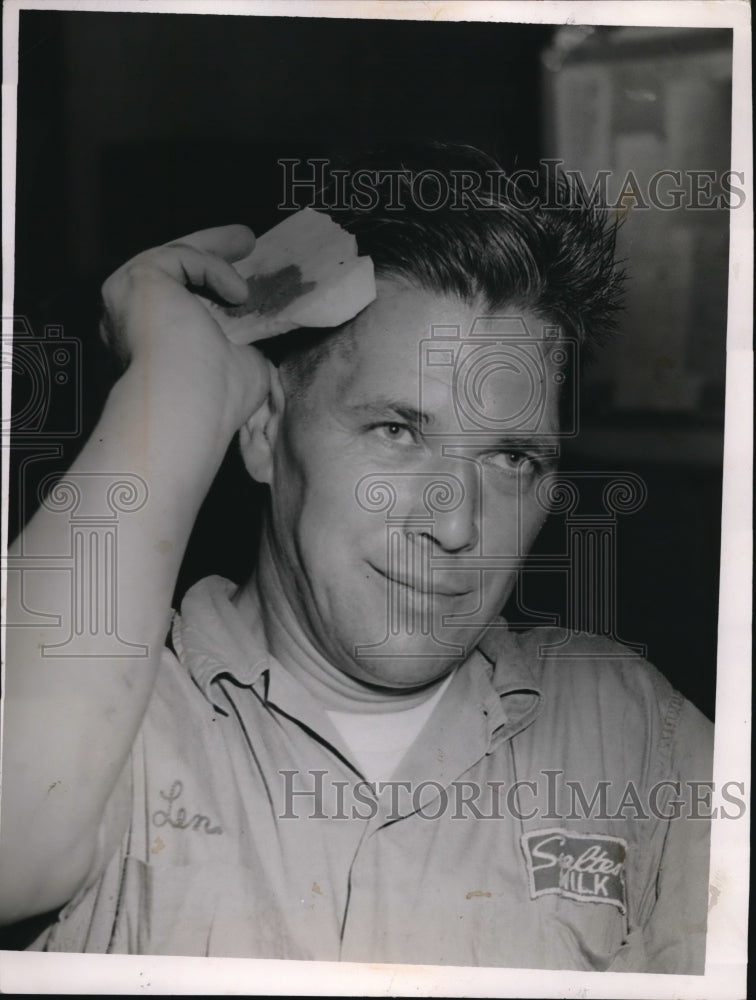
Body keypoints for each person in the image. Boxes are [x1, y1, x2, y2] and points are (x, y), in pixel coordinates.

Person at [0, 145, 712, 971]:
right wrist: (174, 385)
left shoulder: (632, 731)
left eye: (512, 459)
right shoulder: (108, 716)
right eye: (397, 431)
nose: (455, 526)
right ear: (265, 431)